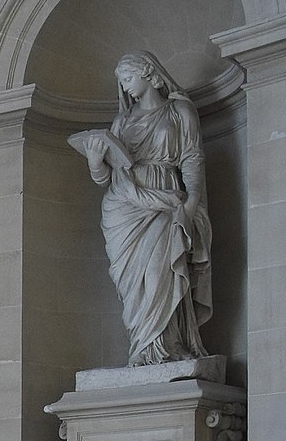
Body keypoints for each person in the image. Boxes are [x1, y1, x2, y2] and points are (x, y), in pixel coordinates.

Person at [79, 50, 212, 367]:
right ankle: (142, 348)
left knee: (159, 274)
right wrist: (95, 163)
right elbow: (107, 176)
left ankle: (167, 346)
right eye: (122, 82)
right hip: (124, 206)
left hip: (165, 198)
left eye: (127, 79)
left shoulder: (179, 111)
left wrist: (192, 203)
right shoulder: (122, 121)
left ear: (148, 73)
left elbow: (192, 158)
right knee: (133, 283)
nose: (125, 88)